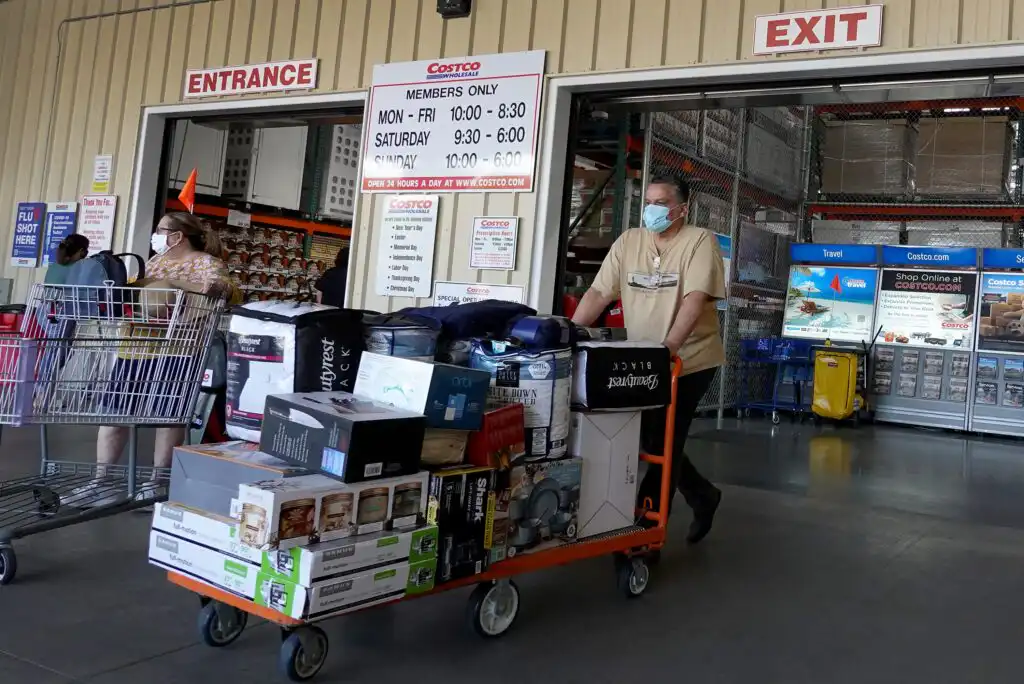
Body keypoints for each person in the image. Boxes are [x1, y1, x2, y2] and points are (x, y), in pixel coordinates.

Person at [570, 175, 725, 545]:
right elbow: (597, 292)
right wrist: (566, 334)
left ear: (682, 209)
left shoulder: (699, 242)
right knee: (649, 439)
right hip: (641, 362)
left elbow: (694, 299)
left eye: (661, 202)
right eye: (649, 202)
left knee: (662, 441)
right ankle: (703, 494)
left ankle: (642, 535)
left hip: (688, 360)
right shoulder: (629, 242)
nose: (652, 210)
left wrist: (668, 347)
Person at [66, 213, 231, 507]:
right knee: (114, 413)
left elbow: (221, 291)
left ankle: (157, 482)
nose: (156, 235)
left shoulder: (208, 264)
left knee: (167, 418)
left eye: (161, 230)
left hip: (178, 350)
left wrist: (171, 285)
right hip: (136, 346)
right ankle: (101, 481)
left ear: (178, 236)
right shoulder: (154, 262)